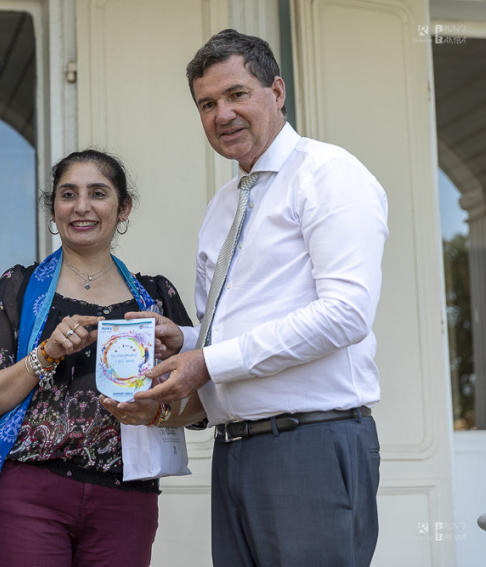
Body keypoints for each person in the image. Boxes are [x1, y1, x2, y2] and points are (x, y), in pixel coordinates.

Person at [133, 29, 389, 566]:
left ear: (277, 91)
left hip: (310, 445)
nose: (221, 114)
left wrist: (205, 360)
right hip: (233, 451)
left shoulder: (330, 174)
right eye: (207, 103)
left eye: (236, 94)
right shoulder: (224, 203)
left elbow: (346, 314)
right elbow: (225, 331)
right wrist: (182, 340)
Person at [0, 149, 204, 566]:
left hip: (125, 498)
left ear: (123, 207)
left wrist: (157, 410)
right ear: (53, 210)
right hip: (29, 492)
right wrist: (46, 353)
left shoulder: (157, 298)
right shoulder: (20, 288)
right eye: (68, 194)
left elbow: (199, 407)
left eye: (98, 193)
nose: (82, 207)